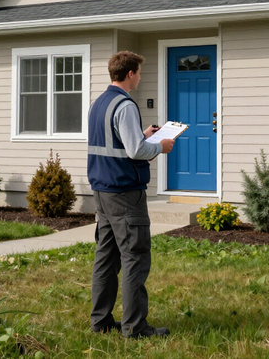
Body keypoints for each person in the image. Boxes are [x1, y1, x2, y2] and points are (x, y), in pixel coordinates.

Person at [87, 51, 174, 338]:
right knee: (135, 257)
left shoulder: (98, 104)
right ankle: (135, 328)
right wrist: (161, 146)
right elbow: (135, 151)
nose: (141, 77)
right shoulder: (125, 105)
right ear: (129, 74)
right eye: (139, 72)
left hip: (102, 191)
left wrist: (142, 134)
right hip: (125, 193)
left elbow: (121, 143)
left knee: (106, 258)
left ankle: (101, 322)